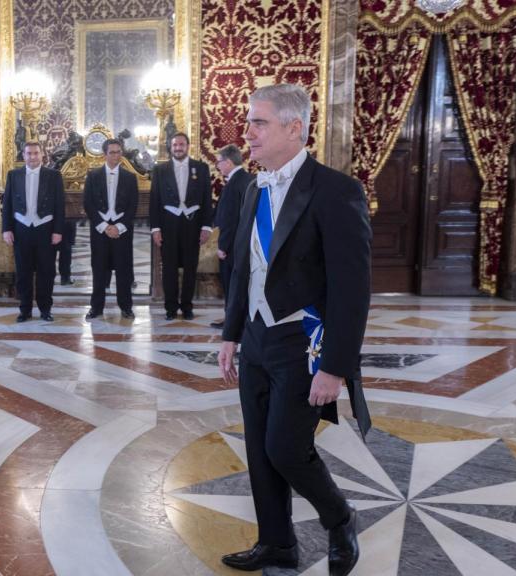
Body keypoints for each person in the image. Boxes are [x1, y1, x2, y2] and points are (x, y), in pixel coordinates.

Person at [217, 84, 371, 576]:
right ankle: (277, 544)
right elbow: (244, 267)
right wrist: (231, 333)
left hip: (305, 343)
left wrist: (336, 367)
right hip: (258, 339)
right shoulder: (249, 186)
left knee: (286, 448)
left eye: (258, 123)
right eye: (248, 122)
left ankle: (339, 517)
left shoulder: (336, 191)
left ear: (294, 128)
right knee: (260, 450)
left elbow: (352, 289)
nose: (247, 133)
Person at [149, 133, 214, 320]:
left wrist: (206, 227)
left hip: (192, 224)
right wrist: (155, 228)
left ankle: (187, 307)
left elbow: (207, 200)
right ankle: (170, 308)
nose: (178, 147)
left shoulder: (201, 168)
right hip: (168, 225)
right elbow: (155, 201)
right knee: (168, 268)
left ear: (188, 146)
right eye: (175, 144)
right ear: (170, 147)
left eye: (182, 144)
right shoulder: (160, 170)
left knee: (190, 268)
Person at [1, 141, 65, 322]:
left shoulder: (54, 175)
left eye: (36, 153)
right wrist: (6, 229)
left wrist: (58, 230)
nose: (32, 156)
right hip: (21, 229)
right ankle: (25, 310)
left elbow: (60, 205)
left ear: (42, 154)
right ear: (24, 155)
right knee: (23, 272)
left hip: (45, 229)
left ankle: (45, 310)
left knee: (47, 272)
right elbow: (7, 205)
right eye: (29, 153)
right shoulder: (14, 175)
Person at [83, 138, 137, 320]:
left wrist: (119, 227)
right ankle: (96, 308)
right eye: (112, 152)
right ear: (105, 154)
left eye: (119, 152)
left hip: (122, 231)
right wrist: (105, 226)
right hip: (100, 231)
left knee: (124, 270)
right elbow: (88, 204)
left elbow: (133, 206)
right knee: (98, 270)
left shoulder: (130, 177)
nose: (116, 155)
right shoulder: (93, 176)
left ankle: (126, 307)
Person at [211, 144, 255, 329]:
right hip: (248, 244)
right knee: (245, 285)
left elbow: (229, 221)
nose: (218, 166)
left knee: (232, 285)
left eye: (219, 162)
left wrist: (222, 247)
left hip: (233, 247)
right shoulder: (251, 179)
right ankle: (243, 319)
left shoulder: (233, 185)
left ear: (228, 162)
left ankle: (232, 322)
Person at [55, 218, 76, 285]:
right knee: (65, 254)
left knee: (66, 254)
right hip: (65, 223)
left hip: (66, 223)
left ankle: (65, 278)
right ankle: (65, 278)